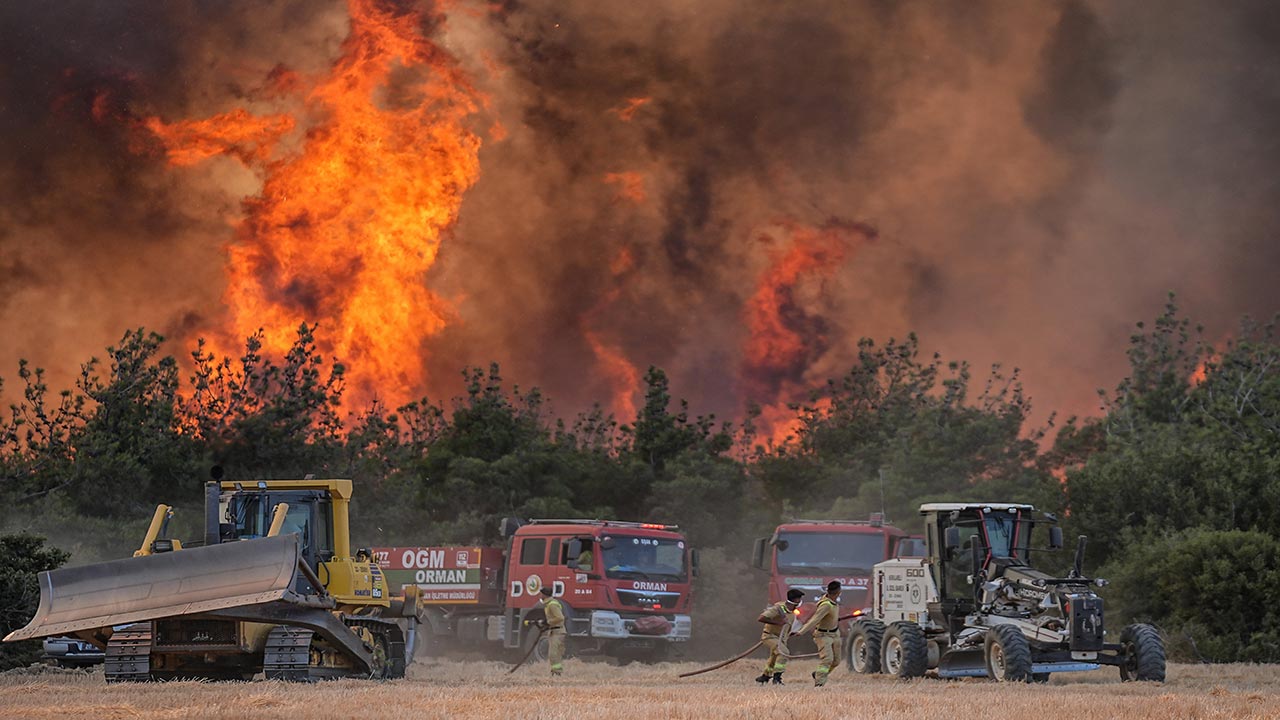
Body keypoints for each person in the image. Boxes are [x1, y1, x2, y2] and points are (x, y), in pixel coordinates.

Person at [796, 580, 842, 686]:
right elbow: (814, 620)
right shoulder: (826, 605)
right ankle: (819, 683)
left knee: (836, 661)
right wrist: (801, 631)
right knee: (827, 659)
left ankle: (818, 674)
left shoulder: (833, 603)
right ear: (838, 592)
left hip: (835, 634)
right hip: (823, 635)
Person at [755, 588, 804, 685]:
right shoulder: (778, 608)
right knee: (783, 652)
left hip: (781, 638)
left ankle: (765, 676)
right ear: (795, 600)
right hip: (769, 636)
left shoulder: (792, 612)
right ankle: (777, 678)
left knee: (773, 658)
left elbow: (787, 626)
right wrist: (778, 622)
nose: (800, 601)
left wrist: (791, 633)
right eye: (799, 598)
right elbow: (761, 618)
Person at [537, 587, 567, 676]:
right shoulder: (549, 604)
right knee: (554, 654)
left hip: (558, 632)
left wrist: (547, 622)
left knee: (553, 653)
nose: (540, 595)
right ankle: (556, 672)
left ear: (544, 595)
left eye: (541, 594)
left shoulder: (552, 605)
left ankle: (557, 673)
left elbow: (560, 618)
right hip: (554, 631)